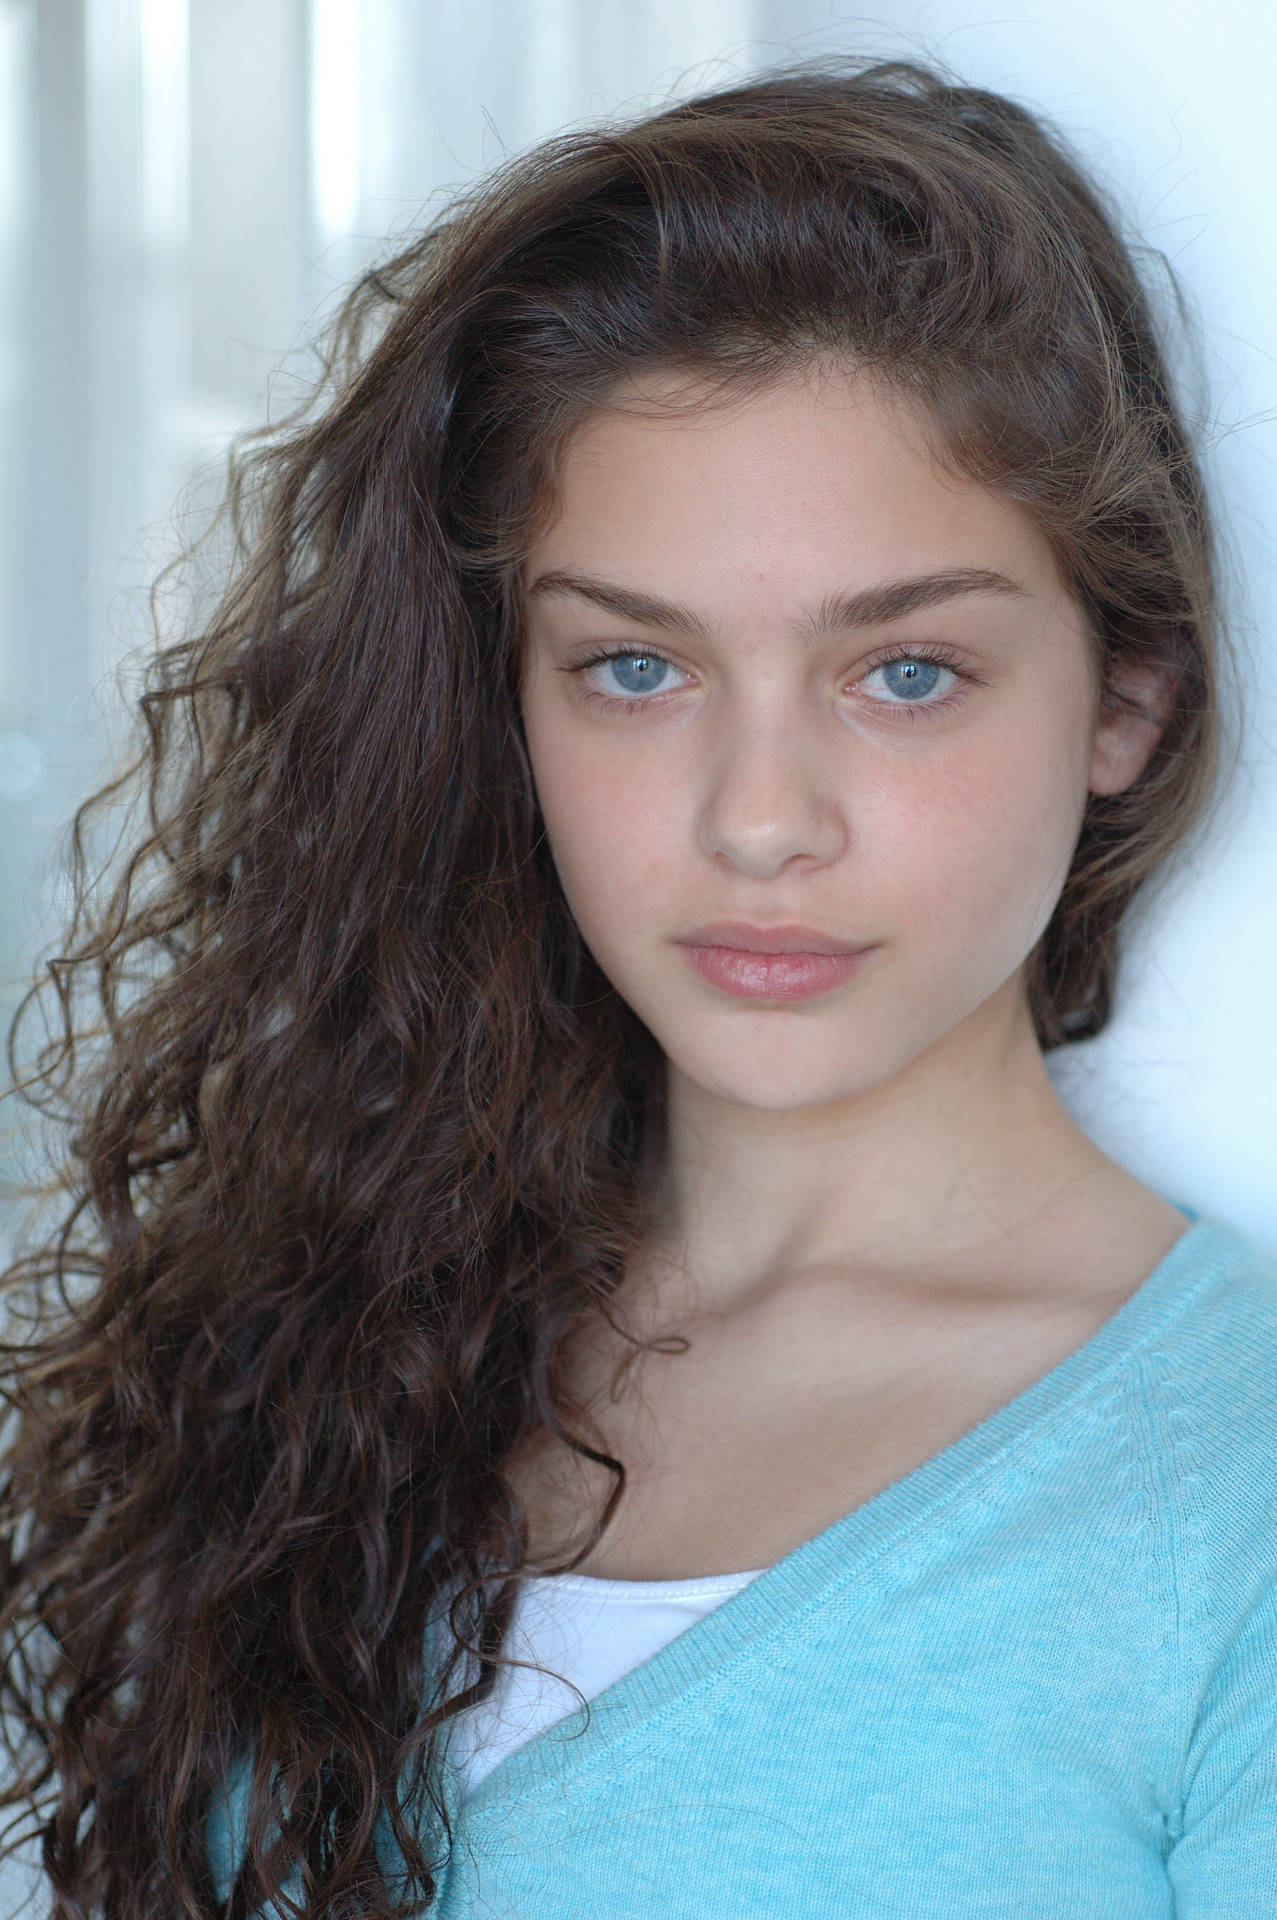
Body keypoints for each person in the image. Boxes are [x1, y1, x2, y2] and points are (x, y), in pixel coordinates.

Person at [0, 50, 1272, 1920]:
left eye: (904, 671)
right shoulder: (326, 1334)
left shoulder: (1230, 1502)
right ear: (501, 704)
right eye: (633, 671)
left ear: (1125, 700)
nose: (758, 823)